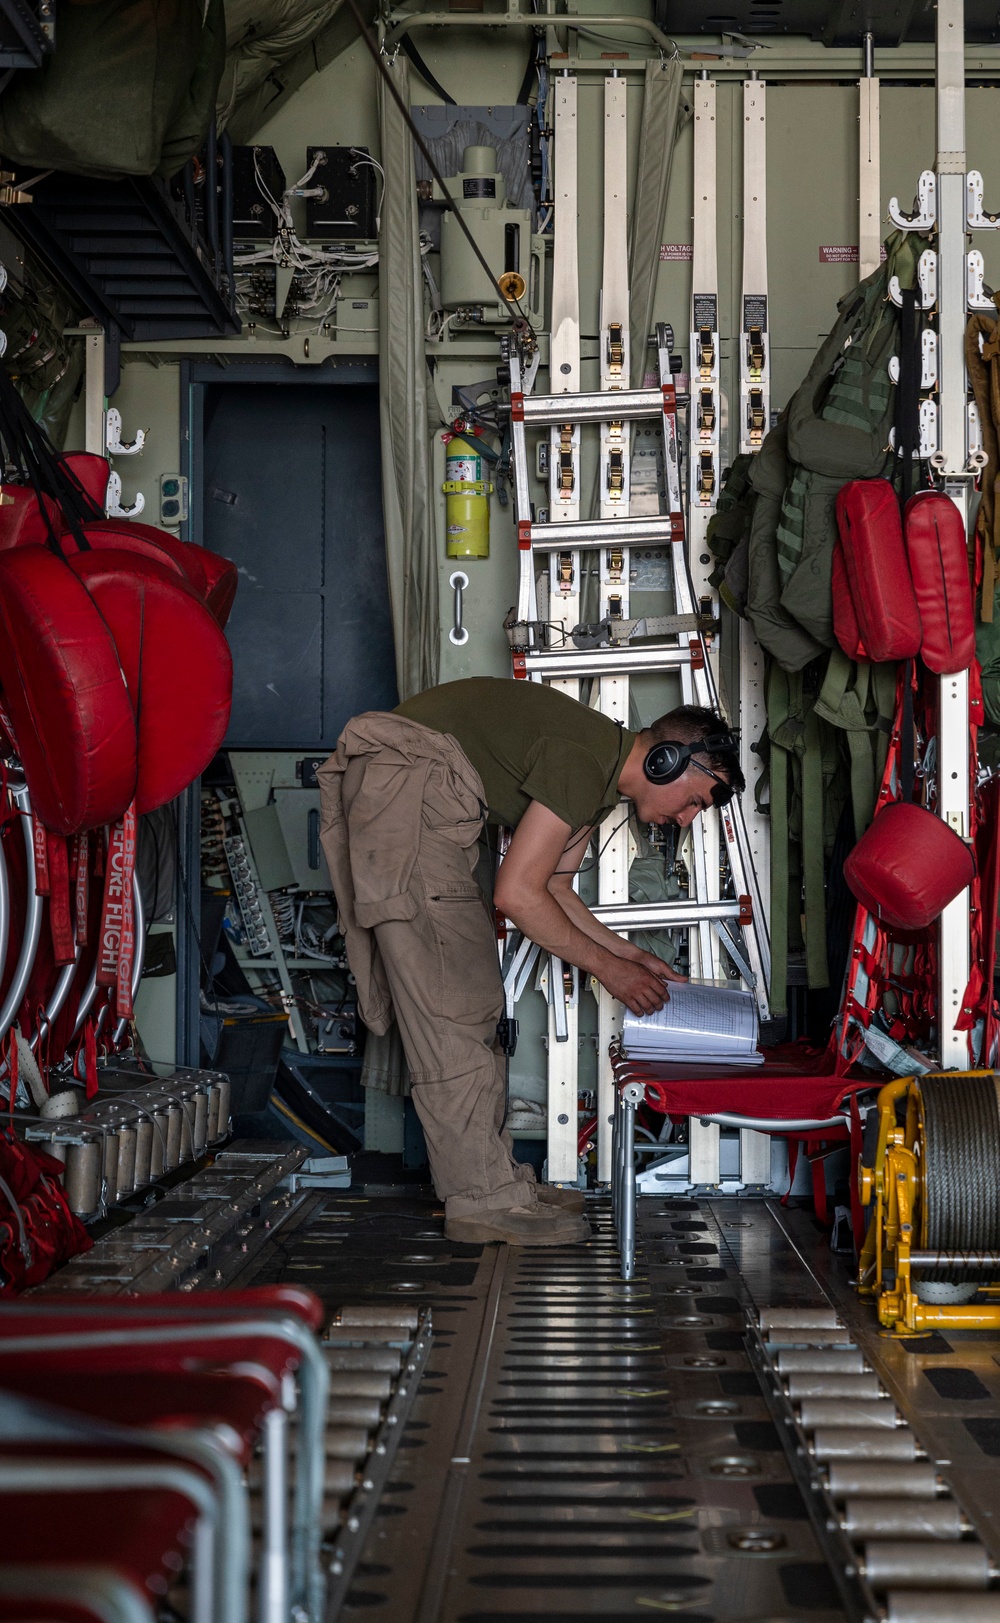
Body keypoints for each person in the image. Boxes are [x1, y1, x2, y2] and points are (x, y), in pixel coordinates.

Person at [318, 677, 744, 1247]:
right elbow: (516, 894)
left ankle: (498, 1181)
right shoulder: (582, 758)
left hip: (419, 800)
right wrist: (607, 971)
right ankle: (480, 1199)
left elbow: (556, 889)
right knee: (455, 1005)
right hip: (408, 796)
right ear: (667, 761)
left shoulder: (596, 777)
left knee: (477, 1001)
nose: (688, 819)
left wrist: (629, 955)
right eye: (695, 800)